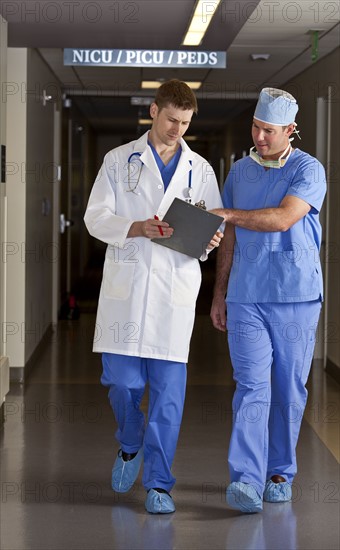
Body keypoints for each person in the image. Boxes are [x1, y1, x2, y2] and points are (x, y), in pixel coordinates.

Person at [84, 79, 223, 514]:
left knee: (168, 399)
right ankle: (130, 442)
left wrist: (210, 242)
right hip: (126, 294)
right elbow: (95, 217)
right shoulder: (118, 160)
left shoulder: (200, 170)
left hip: (173, 298)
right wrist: (136, 227)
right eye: (170, 120)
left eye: (184, 123)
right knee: (121, 384)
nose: (176, 130)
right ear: (153, 110)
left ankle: (159, 483)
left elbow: (209, 226)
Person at [210, 87, 327, 513]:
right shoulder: (239, 173)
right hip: (245, 296)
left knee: (289, 389)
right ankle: (246, 478)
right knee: (251, 387)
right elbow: (229, 239)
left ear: (290, 130)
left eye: (269, 130)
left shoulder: (308, 170)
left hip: (295, 295)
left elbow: (282, 218)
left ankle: (280, 471)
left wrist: (228, 215)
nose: (260, 136)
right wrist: (219, 292)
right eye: (256, 127)